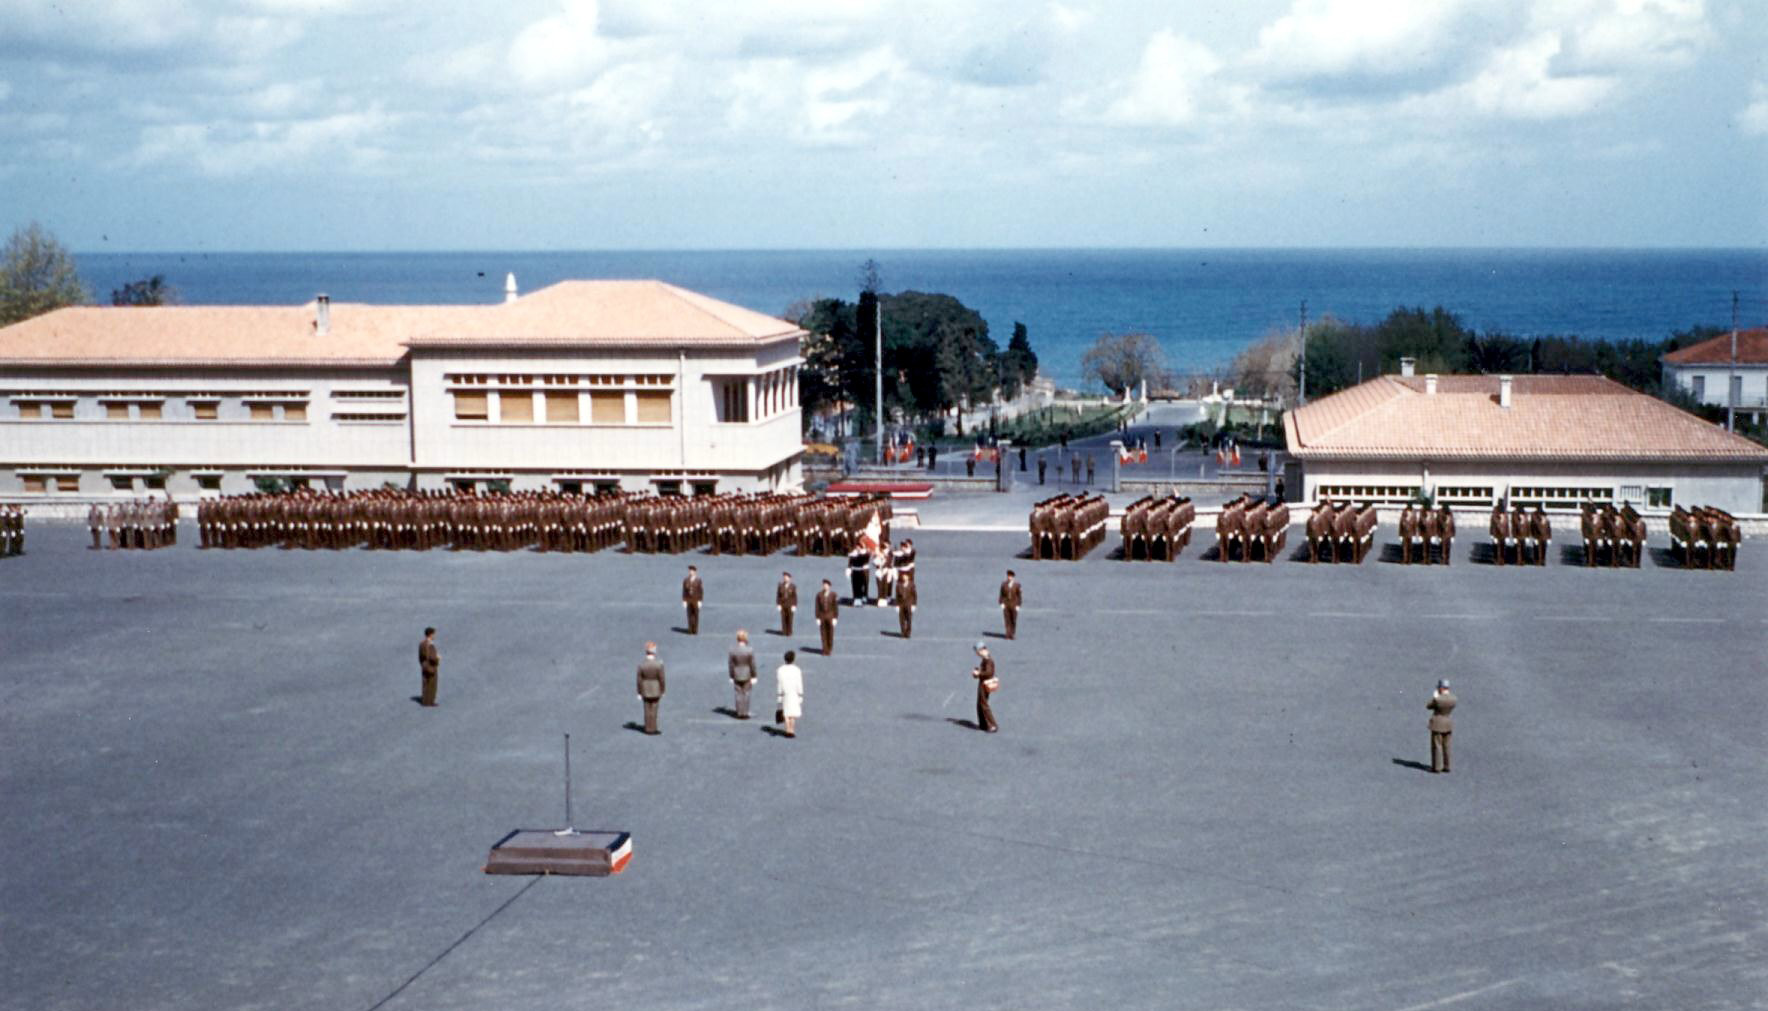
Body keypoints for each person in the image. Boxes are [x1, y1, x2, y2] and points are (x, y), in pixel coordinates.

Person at [637, 642, 666, 735]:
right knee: (654, 709)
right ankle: (653, 728)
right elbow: (662, 679)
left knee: (646, 709)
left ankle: (647, 728)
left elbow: (639, 680)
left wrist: (639, 692)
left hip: (645, 689)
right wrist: (663, 690)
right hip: (656, 689)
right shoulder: (658, 664)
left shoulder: (641, 665)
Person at [1428, 679, 1456, 773]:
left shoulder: (1438, 699)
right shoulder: (1453, 698)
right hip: (1448, 723)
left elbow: (1429, 706)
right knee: (1447, 746)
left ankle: (1437, 767)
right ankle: (1447, 766)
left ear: (1441, 688)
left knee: (1437, 745)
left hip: (1438, 724)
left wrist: (1435, 697)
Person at [728, 629, 758, 720]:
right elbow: (752, 664)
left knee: (738, 693)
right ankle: (745, 712)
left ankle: (739, 712)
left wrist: (731, 675)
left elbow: (731, 664)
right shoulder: (749, 650)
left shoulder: (732, 650)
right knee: (746, 693)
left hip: (737, 674)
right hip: (747, 674)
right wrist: (754, 675)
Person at [775, 650, 804, 738]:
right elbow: (799, 683)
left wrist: (779, 693)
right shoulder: (797, 670)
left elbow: (779, 683)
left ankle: (787, 729)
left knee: (786, 711)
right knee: (793, 712)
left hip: (785, 692)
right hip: (794, 692)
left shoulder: (780, 670)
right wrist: (800, 693)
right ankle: (791, 729)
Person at [972, 641, 998, 733]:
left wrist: (979, 673)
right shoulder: (985, 659)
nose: (978, 654)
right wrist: (978, 673)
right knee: (980, 704)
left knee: (984, 704)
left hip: (985, 684)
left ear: (983, 650)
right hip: (982, 683)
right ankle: (983, 724)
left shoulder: (988, 660)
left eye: (978, 651)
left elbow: (989, 673)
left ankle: (992, 725)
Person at [815, 578, 839, 656]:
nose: (825, 586)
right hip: (822, 616)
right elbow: (817, 607)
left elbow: (835, 607)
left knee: (830, 633)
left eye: (826, 585)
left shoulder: (833, 595)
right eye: (824, 585)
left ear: (829, 586)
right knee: (823, 633)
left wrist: (835, 617)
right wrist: (817, 617)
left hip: (830, 616)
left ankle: (829, 648)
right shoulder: (819, 595)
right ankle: (825, 650)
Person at [417, 627, 440, 707]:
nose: (434, 636)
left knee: (425, 683)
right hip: (431, 667)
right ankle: (430, 701)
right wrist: (437, 658)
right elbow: (432, 657)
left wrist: (423, 664)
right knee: (432, 684)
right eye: (434, 634)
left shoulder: (422, 644)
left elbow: (420, 656)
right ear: (430, 634)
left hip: (424, 666)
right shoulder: (430, 645)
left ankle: (425, 701)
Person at [998, 570, 1022, 640]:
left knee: (1013, 620)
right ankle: (1007, 634)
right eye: (1008, 576)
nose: (1009, 578)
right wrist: (1001, 603)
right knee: (1007, 620)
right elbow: (1001, 594)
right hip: (1006, 604)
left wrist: (1018, 605)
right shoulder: (1003, 584)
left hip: (1014, 604)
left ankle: (1012, 634)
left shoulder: (1017, 585)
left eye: (1011, 576)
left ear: (1013, 577)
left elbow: (1019, 596)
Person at [681, 564, 704, 635]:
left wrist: (700, 600)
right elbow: (684, 590)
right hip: (688, 599)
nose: (690, 572)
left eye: (692, 571)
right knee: (689, 614)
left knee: (696, 615)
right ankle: (690, 630)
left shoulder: (698, 580)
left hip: (696, 599)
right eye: (690, 571)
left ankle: (695, 630)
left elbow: (701, 591)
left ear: (695, 572)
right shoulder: (686, 580)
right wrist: (684, 600)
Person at [847, 540, 870, 605]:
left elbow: (866, 558)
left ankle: (860, 598)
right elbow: (850, 562)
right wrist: (848, 569)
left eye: (859, 547)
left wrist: (864, 551)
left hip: (860, 571)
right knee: (854, 585)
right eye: (857, 547)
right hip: (854, 571)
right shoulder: (853, 554)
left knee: (860, 585)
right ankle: (855, 598)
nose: (858, 548)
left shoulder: (863, 554)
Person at [873, 537, 895, 606]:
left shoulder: (890, 553)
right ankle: (880, 598)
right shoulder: (878, 554)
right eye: (883, 547)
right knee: (880, 584)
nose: (884, 548)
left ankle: (886, 597)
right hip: (879, 571)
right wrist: (878, 557)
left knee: (887, 584)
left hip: (887, 570)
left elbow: (889, 561)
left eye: (886, 545)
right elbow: (875, 562)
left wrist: (884, 558)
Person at [776, 571, 798, 636]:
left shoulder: (793, 586)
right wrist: (778, 604)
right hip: (783, 605)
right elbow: (778, 595)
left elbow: (795, 597)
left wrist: (794, 605)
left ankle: (789, 631)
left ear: (790, 578)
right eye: (784, 577)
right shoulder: (780, 586)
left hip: (790, 605)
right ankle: (784, 631)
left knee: (790, 618)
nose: (785, 579)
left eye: (787, 577)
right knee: (783, 618)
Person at [895, 573, 917, 638]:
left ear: (908, 577)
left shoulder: (911, 585)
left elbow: (914, 595)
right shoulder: (898, 585)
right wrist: (897, 605)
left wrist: (914, 605)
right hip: (901, 604)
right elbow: (897, 596)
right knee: (901, 619)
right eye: (903, 576)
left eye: (905, 576)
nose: (904, 577)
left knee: (909, 619)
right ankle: (903, 632)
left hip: (909, 604)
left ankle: (908, 633)